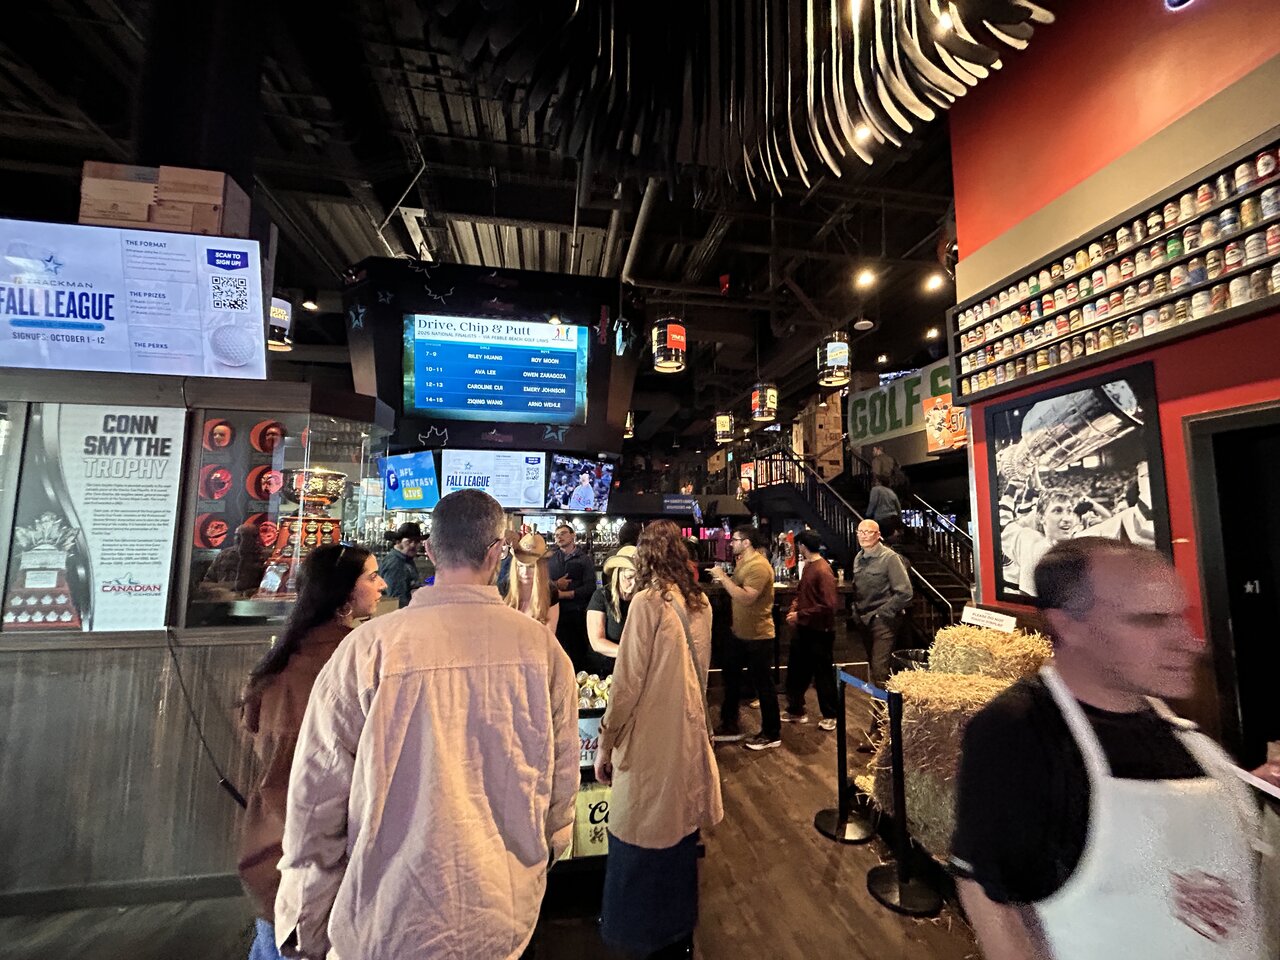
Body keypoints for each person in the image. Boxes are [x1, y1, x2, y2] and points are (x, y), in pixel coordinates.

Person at [274, 490, 579, 960]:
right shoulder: (543, 651)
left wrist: (307, 923)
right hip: (501, 919)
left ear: (432, 551)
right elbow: (561, 792)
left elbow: (316, 799)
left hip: (386, 920)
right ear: (497, 552)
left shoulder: (368, 648)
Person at [952, 539, 1274, 960]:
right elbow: (988, 895)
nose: (1191, 642)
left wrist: (1251, 790)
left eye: (1180, 616)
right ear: (1069, 626)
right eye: (1151, 621)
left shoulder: (1184, 724)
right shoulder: (1022, 732)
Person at [237, 543, 386, 960]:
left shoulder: (282, 657)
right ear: (343, 591)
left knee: (273, 941)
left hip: (270, 839)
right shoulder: (357, 658)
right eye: (372, 577)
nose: (382, 585)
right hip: (328, 844)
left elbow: (256, 735)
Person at [595, 521, 722, 958]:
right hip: (687, 733)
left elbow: (626, 684)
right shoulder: (701, 602)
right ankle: (678, 932)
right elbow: (701, 674)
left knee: (641, 830)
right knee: (682, 831)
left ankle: (637, 933)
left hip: (650, 738)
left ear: (645, 556)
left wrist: (606, 741)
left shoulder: (647, 603)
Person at [708, 525, 780, 751]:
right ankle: (729, 724)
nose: (731, 543)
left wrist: (723, 577)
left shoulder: (758, 566)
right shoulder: (744, 563)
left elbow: (747, 598)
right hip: (740, 633)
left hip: (758, 635)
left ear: (746, 542)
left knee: (763, 685)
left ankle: (772, 733)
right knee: (731, 679)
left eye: (735, 540)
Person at [783, 530, 840, 732]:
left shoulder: (822, 570)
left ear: (802, 546)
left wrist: (800, 614)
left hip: (820, 630)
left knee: (823, 674)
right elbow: (802, 593)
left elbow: (829, 605)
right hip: (806, 627)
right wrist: (795, 610)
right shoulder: (810, 566)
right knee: (797, 670)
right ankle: (796, 709)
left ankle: (831, 714)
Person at [852, 518, 912, 703]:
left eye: (868, 532)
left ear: (878, 535)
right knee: (873, 666)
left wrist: (882, 613)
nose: (863, 536)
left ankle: (884, 717)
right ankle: (881, 712)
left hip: (883, 621)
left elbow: (905, 592)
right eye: (860, 532)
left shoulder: (890, 558)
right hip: (863, 618)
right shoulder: (858, 557)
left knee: (880, 670)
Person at [550, 523, 596, 669]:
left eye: (563, 533)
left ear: (573, 535)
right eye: (557, 535)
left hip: (577, 613)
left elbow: (590, 587)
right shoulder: (550, 558)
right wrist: (556, 584)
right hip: (555, 612)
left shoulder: (584, 559)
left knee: (578, 653)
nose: (559, 537)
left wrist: (567, 594)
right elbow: (541, 582)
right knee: (558, 652)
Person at [586, 545, 637, 677]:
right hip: (607, 669)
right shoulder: (601, 597)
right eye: (629, 577)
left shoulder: (642, 598)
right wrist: (630, 653)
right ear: (617, 573)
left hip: (636, 667)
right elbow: (597, 642)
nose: (633, 584)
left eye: (638, 579)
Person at [504, 532, 560, 633]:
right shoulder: (504, 587)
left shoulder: (550, 591)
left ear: (541, 568)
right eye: (520, 566)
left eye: (531, 567)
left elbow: (549, 635)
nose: (525, 572)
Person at [204, 522, 268, 595]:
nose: (238, 539)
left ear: (255, 537)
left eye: (244, 536)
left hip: (252, 598)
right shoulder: (223, 555)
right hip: (223, 597)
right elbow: (208, 580)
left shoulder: (266, 556)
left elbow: (269, 586)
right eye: (237, 535)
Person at [377, 521, 424, 607]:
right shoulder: (396, 564)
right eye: (409, 541)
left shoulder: (405, 559)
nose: (413, 545)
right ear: (398, 542)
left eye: (417, 541)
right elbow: (397, 600)